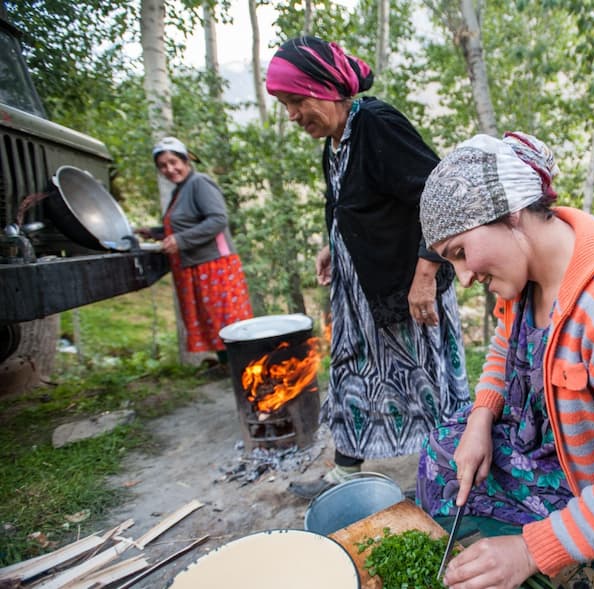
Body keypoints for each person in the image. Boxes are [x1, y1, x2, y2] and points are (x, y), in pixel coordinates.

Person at [416, 133, 594, 589]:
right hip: (550, 443)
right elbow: (504, 347)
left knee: (526, 564)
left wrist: (529, 550)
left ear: (511, 214)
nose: (466, 276)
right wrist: (479, 419)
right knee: (443, 454)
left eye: (459, 253)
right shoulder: (527, 274)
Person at [264, 36, 471, 497]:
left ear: (326, 88)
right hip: (360, 291)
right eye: (285, 105)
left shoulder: (376, 124)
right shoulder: (336, 139)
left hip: (403, 284)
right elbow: (345, 201)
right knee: (352, 372)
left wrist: (425, 277)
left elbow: (439, 195)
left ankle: (455, 477)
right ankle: (346, 472)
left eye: (297, 101)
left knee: (427, 381)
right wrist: (330, 244)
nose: (293, 115)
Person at [137, 136, 253, 370]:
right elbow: (185, 224)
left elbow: (218, 220)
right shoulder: (180, 190)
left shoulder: (200, 183)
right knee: (212, 321)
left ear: (185, 160)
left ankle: (243, 370)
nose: (169, 169)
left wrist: (179, 240)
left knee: (226, 320)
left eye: (173, 162)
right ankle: (226, 368)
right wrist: (155, 232)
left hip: (216, 266)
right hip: (196, 266)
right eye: (163, 166)